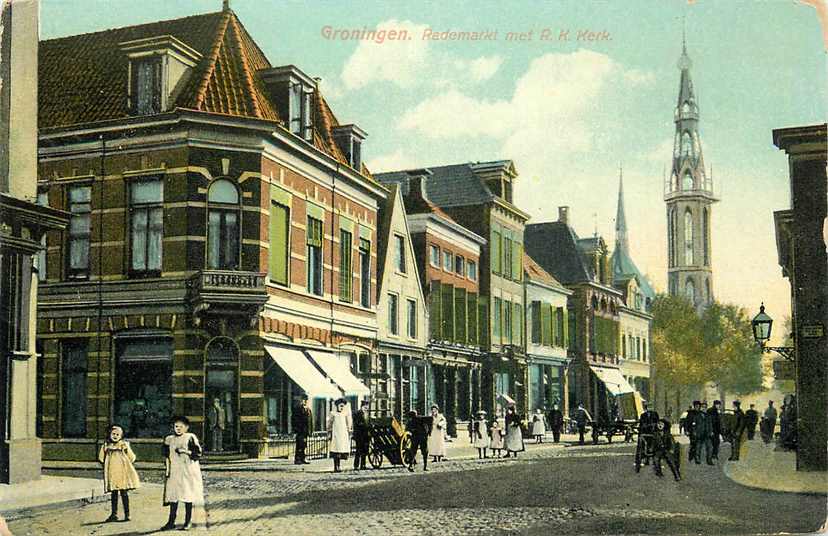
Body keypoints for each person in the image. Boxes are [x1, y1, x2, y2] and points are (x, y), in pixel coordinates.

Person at [161, 416, 204, 531]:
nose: (178, 429)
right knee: (173, 496)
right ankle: (171, 521)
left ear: (186, 427)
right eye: (176, 426)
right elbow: (165, 455)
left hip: (187, 470)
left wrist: (185, 451)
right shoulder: (169, 439)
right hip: (175, 470)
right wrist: (167, 469)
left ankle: (187, 521)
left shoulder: (190, 437)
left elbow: (197, 454)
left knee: (187, 494)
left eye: (181, 427)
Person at [98, 424, 140, 523]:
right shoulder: (106, 445)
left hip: (123, 473)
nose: (115, 436)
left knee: (124, 493)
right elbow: (101, 458)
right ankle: (114, 514)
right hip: (112, 473)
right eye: (113, 434)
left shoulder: (123, 445)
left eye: (118, 434)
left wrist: (126, 450)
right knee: (114, 494)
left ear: (121, 436)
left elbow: (132, 458)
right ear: (109, 434)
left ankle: (127, 514)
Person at [327, 398, 352, 473]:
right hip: (336, 434)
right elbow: (329, 424)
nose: (341, 408)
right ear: (337, 406)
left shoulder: (345, 414)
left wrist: (349, 430)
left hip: (343, 434)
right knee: (336, 451)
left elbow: (348, 423)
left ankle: (339, 466)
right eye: (340, 406)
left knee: (341, 450)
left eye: (342, 406)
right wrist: (329, 432)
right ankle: (336, 466)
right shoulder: (333, 414)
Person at [291, 395, 312, 465]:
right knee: (299, 445)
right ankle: (297, 459)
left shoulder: (308, 410)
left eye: (306, 400)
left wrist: (310, 431)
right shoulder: (297, 409)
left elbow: (310, 421)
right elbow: (294, 420)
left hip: (306, 431)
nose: (305, 402)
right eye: (303, 400)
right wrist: (296, 429)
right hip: (300, 430)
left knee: (304, 445)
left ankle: (303, 458)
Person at [352, 399, 371, 470]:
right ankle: (356, 465)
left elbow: (368, 423)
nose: (366, 408)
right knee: (358, 451)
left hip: (366, 435)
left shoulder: (367, 414)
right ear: (362, 406)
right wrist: (364, 426)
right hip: (359, 435)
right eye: (365, 406)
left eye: (367, 406)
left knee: (365, 451)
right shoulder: (357, 413)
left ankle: (363, 465)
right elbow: (356, 424)